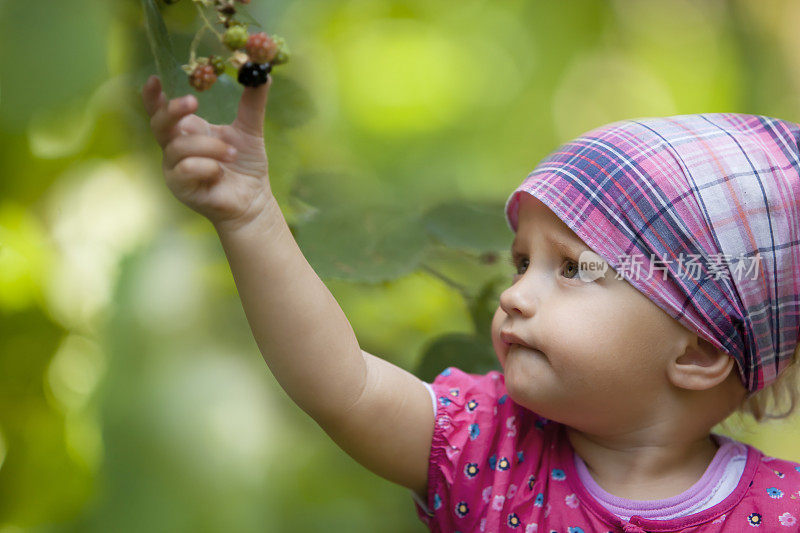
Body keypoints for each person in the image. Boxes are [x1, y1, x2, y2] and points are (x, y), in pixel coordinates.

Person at [140, 73, 800, 532]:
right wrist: (252, 215)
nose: (514, 294)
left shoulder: (782, 511)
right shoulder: (488, 446)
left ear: (700, 348)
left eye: (570, 267)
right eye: (521, 262)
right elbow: (347, 385)